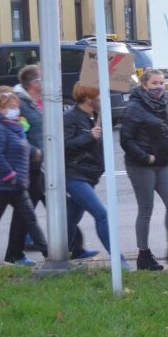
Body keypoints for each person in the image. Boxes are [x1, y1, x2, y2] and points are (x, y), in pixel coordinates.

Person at [6, 65, 94, 265]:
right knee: (25, 211)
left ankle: (74, 247)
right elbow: (16, 133)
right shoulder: (20, 104)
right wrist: (33, 152)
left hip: (46, 166)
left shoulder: (41, 102)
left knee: (60, 207)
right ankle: (13, 254)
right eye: (43, 79)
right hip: (30, 166)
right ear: (34, 84)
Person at [0, 89, 48, 267]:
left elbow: (19, 147)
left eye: (16, 107)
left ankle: (49, 255)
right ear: (0, 108)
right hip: (1, 185)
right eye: (11, 107)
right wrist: (10, 175)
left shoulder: (14, 126)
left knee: (29, 219)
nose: (15, 110)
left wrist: (35, 153)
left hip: (16, 185)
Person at [120, 69, 168, 270]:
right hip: (141, 165)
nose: (158, 87)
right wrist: (145, 156)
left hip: (162, 163)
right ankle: (144, 255)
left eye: (161, 83)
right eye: (154, 83)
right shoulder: (134, 107)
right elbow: (126, 139)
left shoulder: (161, 104)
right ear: (144, 85)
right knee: (146, 209)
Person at [64, 83, 132, 271]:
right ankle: (119, 261)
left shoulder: (90, 117)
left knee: (70, 220)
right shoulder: (71, 118)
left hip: (87, 175)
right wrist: (89, 137)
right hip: (75, 176)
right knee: (101, 214)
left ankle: (60, 257)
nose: (102, 100)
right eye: (99, 97)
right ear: (88, 99)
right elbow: (65, 146)